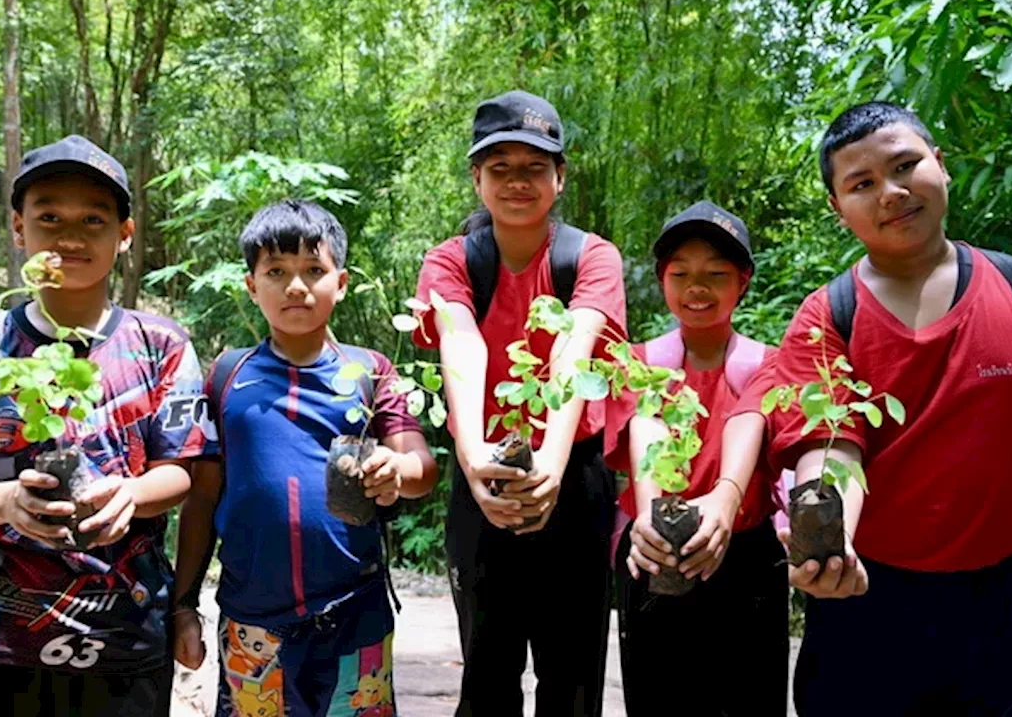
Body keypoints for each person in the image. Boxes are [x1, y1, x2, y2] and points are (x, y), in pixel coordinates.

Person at [772, 101, 1012, 716]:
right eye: (862, 184)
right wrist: (829, 542)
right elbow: (834, 448)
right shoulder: (827, 317)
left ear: (942, 164)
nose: (892, 192)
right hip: (866, 595)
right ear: (837, 208)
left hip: (1000, 599)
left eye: (906, 165)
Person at [0, 134, 215, 716]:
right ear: (17, 227)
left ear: (125, 235)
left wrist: (130, 493)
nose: (71, 236)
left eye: (95, 219)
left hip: (124, 638)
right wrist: (6, 502)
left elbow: (179, 473)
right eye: (49, 216)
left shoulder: (162, 345)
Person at [172, 199, 438, 717]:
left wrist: (395, 469)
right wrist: (184, 606)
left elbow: (421, 467)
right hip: (253, 623)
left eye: (313, 270)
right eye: (277, 271)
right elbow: (202, 499)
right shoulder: (227, 376)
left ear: (339, 283)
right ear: (253, 286)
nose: (296, 286)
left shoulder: (371, 371)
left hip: (354, 615)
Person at [412, 89, 627, 716]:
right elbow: (462, 343)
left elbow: (574, 353)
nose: (517, 182)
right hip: (483, 474)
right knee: (487, 670)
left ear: (559, 178)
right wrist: (477, 461)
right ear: (477, 178)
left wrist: (550, 473)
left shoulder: (591, 257)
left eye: (534, 167)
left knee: (574, 674)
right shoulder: (451, 261)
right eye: (499, 168)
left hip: (576, 475)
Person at [605, 200, 787, 715]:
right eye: (680, 273)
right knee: (659, 698)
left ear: (744, 281)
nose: (696, 288)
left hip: (748, 554)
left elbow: (746, 425)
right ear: (662, 280)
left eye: (716, 274)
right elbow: (645, 426)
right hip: (655, 550)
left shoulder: (769, 366)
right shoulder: (638, 363)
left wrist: (722, 504)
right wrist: (650, 517)